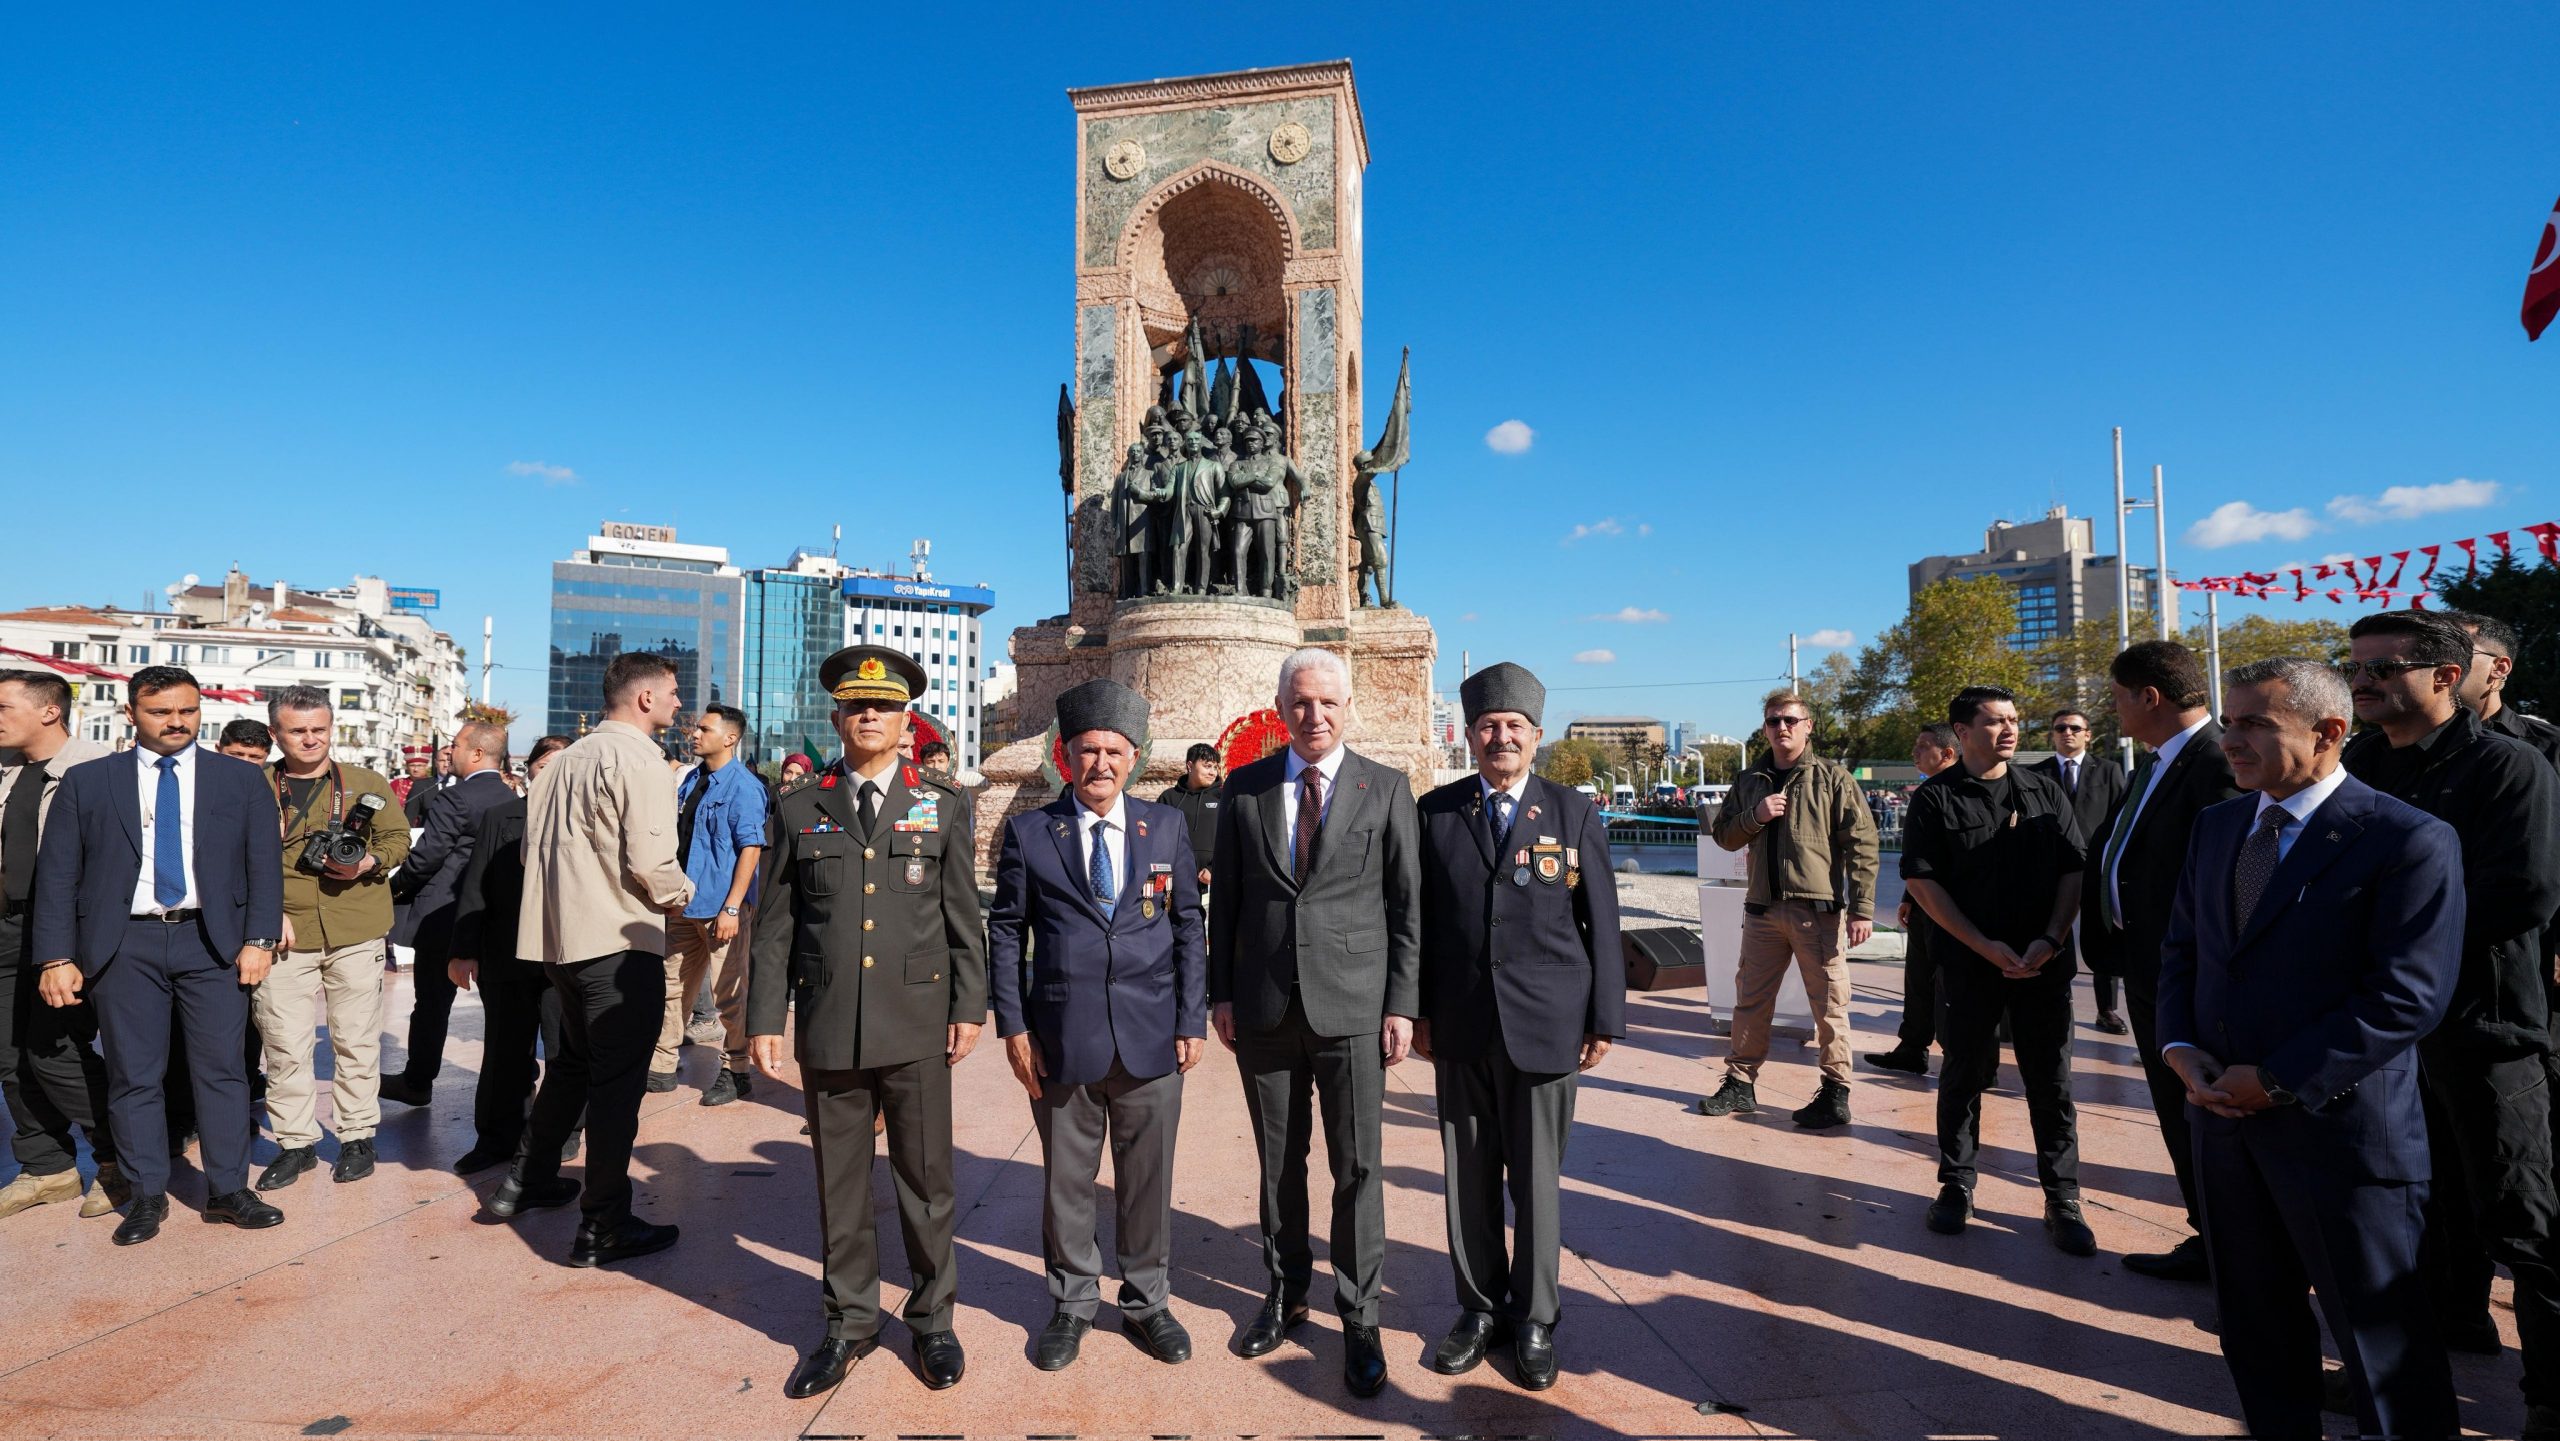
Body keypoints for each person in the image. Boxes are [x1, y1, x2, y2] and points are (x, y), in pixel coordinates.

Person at [2159, 657, 2463, 1440]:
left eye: (2255, 723)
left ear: (2330, 732)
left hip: (2344, 1136)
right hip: (2224, 1126)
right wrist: (2181, 1046)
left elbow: (2408, 996)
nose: (2231, 740)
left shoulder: (2408, 838)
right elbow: (2185, 951)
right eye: (2229, 722)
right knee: (2255, 1330)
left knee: (2382, 1346)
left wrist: (2281, 1078)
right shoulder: (2219, 823)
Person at [2340, 607, 2560, 1422]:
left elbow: (2525, 892)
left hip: (2483, 1029)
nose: (2363, 681)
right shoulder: (2359, 763)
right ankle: (2407, 1381)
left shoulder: (2508, 768)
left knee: (2524, 1222)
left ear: (2445, 677)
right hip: (2385, 1036)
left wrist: (2396, 938)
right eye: (2356, 666)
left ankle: (2550, 1402)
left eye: (2382, 668)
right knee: (2401, 1215)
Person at [749, 645, 987, 1398]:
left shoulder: (942, 804)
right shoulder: (798, 808)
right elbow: (776, 927)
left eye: (882, 706)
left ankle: (933, 1318)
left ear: (906, 718)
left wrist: (969, 1006)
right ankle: (848, 1321)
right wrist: (764, 1017)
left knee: (926, 1180)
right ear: (838, 716)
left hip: (916, 1021)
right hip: (829, 1023)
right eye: (856, 705)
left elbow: (962, 918)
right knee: (840, 1185)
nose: (869, 715)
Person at [1209, 646, 1421, 1398]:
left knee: (1357, 1166)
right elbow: (1225, 904)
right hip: (1263, 1008)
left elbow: (1405, 907)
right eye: (1301, 702)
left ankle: (1359, 1314)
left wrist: (1402, 1002)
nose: (1315, 715)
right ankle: (1285, 1290)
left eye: (1328, 702)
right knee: (1279, 1163)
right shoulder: (1245, 788)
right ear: (1281, 709)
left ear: (1348, 706)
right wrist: (1220, 994)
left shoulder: (1386, 788)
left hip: (1355, 1008)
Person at [1414, 662, 1623, 1390]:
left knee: (1537, 1178)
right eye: (1487, 726)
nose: (1500, 736)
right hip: (1461, 1023)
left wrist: (1605, 1017)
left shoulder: (1573, 812)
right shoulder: (1435, 813)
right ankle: (1478, 1309)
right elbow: (1418, 923)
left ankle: (1535, 1317)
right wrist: (1415, 1012)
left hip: (1548, 1023)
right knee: (1468, 1174)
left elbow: (1601, 921)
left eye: (1514, 726)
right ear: (1469, 735)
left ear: (1536, 735)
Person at [987, 679, 1204, 1372]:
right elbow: (1006, 931)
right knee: (1068, 1184)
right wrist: (1013, 1027)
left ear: (1132, 757)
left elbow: (1189, 927)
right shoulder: (1028, 832)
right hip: (1060, 1039)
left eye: (1114, 750)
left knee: (1147, 1182)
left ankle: (1146, 1301)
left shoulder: (1166, 827)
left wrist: (1191, 1016)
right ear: (1064, 754)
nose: (1101, 763)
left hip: (1151, 1037)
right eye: (1088, 750)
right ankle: (1073, 1303)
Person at [29, 666, 285, 1244]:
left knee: (222, 1071)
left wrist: (260, 940)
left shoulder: (240, 782)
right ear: (131, 713)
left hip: (212, 942)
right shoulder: (89, 782)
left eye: (188, 711)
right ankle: (146, 1194)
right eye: (161, 712)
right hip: (123, 944)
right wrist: (54, 957)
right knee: (134, 1074)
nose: (177, 722)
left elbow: (263, 867)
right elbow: (58, 874)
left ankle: (227, 1189)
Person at [487, 652, 694, 1269]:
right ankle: (604, 1225)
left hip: (559, 942)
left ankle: (522, 1182)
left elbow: (529, 855)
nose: (680, 704)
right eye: (674, 693)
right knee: (616, 1087)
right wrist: (687, 900)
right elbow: (653, 863)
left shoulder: (561, 762)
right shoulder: (640, 759)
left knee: (573, 1068)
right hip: (617, 943)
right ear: (645, 700)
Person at [1900, 685, 2093, 1254]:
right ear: (1962, 732)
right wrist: (1983, 945)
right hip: (1969, 964)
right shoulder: (1934, 799)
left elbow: (2072, 871)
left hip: (2043, 965)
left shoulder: (2044, 790)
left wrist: (2051, 938)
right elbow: (1922, 881)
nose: (2008, 729)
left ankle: (2063, 1197)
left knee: (2049, 1080)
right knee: (1963, 1072)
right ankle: (1956, 1183)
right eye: (1993, 721)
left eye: (2013, 719)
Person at [2079, 640, 2240, 1283]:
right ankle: (2210, 1233)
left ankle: (2229, 1242)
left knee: (2200, 1111)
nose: (2110, 710)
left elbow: (2224, 880)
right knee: (2176, 1109)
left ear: (2150, 696)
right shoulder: (2154, 764)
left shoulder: (2216, 763)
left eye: (2117, 697)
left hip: (2192, 975)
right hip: (2147, 965)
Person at [250, 687, 411, 1190]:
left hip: (356, 927)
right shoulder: (250, 785)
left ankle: (358, 1137)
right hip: (284, 934)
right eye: (297, 730)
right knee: (284, 1044)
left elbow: (398, 838)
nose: (310, 739)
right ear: (276, 733)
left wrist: (368, 861)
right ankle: (295, 1144)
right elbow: (228, 856)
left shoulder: (365, 782)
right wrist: (262, 913)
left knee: (357, 1039)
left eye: (319, 729)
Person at [1698, 689, 1878, 1129]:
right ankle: (1740, 1082)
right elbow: (1724, 836)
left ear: (1808, 726)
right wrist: (1755, 816)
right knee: (1750, 1001)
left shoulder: (1833, 779)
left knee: (1830, 1004)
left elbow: (1863, 844)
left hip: (1817, 914)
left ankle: (1836, 1092)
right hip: (1762, 911)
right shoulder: (1749, 781)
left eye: (1791, 720)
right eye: (1774, 721)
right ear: (1765, 728)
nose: (1783, 728)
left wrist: (1862, 909)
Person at [0, 670, 122, 1220]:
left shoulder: (99, 769)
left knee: (57, 1054)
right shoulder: (4, 771)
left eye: (3, 707)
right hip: (6, 926)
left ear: (50, 710)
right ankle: (47, 1167)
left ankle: (121, 1162)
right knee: (7, 1055)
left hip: (66, 932)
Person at [447, 734, 580, 1173]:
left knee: (565, 1049)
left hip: (565, 956)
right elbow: (476, 885)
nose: (551, 774)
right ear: (531, 768)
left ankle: (564, 1132)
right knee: (505, 1051)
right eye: (545, 765)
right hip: (506, 954)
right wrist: (464, 950)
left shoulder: (585, 818)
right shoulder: (501, 816)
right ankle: (495, 1137)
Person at [379, 720, 512, 1109]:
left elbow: (427, 857)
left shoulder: (456, 798)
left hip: (444, 915)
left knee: (432, 1004)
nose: (448, 752)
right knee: (502, 1011)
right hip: (495, 915)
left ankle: (418, 1081)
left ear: (475, 753)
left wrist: (393, 887)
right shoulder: (509, 795)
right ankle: (507, 1090)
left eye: (454, 745)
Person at [665, 703, 764, 1106]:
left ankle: (736, 1068)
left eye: (704, 729)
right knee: (669, 987)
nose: (695, 734)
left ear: (730, 738)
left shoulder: (744, 785)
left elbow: (751, 848)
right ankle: (661, 1063)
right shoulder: (692, 781)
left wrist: (733, 907)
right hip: (684, 905)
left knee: (729, 993)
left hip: (722, 907)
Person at [2029, 709, 2127, 1034]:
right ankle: (2047, 1000)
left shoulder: (2110, 771)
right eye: (2060, 728)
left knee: (2104, 938)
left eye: (2074, 727)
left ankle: (2107, 1009)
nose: (2067, 732)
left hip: (2096, 867)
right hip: (2049, 870)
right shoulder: (2035, 774)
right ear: (2052, 734)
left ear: (2088, 733)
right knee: (2050, 931)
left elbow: (2119, 821)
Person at [1868, 723, 1956, 1075]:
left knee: (1949, 983)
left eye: (1923, 746)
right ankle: (1912, 1047)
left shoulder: (1961, 790)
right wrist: (1909, 896)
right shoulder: (1927, 790)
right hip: (1921, 901)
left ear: (1947, 753)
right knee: (1918, 978)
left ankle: (1961, 1057)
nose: (1915, 752)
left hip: (1949, 906)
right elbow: (1921, 855)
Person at [2444, 609, 2560, 768]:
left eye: (2454, 652)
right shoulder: (2405, 741)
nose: (2436, 664)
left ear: (2499, 667)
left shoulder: (2551, 745)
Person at [1154, 742, 1222, 896]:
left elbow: (1231, 839)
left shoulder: (1223, 798)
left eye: (1215, 767)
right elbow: (1156, 837)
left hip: (1211, 881)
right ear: (1190, 766)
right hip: (1174, 880)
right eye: (1207, 766)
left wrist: (1214, 869)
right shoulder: (1169, 797)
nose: (1213, 772)